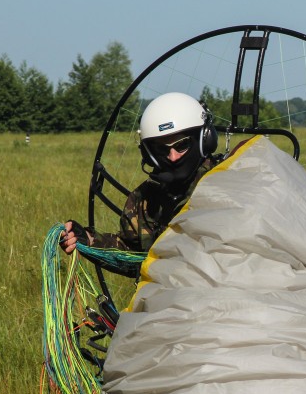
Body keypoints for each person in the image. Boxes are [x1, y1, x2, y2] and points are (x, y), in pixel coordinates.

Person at [60, 92, 220, 274]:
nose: (173, 156)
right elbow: (132, 255)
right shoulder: (144, 200)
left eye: (182, 145)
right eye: (161, 149)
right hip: (165, 298)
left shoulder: (227, 181)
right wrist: (88, 240)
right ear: (148, 154)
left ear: (205, 139)